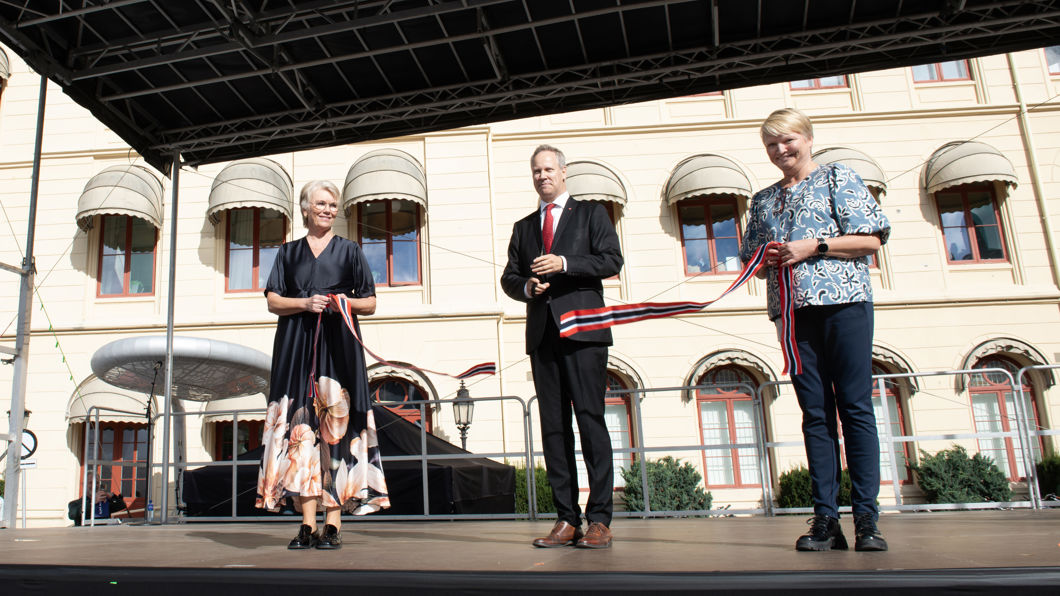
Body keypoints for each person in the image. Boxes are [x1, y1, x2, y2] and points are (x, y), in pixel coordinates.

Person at [740, 108, 891, 552]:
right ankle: (826, 519)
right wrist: (766, 258)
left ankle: (866, 518)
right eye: (771, 144)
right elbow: (752, 260)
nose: (780, 150)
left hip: (845, 305)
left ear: (807, 139)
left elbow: (871, 239)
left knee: (855, 408)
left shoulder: (838, 177)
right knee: (816, 414)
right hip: (792, 315)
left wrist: (815, 246)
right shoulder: (763, 200)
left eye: (787, 140)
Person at [255, 179, 390, 550]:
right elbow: (273, 300)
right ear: (305, 209)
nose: (328, 210)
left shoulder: (350, 251)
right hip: (295, 347)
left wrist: (339, 301)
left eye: (333, 205)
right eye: (321, 204)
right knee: (300, 430)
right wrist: (305, 303)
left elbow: (370, 302)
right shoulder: (288, 253)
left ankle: (332, 524)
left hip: (339, 348)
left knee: (336, 432)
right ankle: (306, 523)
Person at [501, 145, 624, 549]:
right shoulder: (523, 227)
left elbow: (611, 260)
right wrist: (527, 287)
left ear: (564, 172)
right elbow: (509, 277)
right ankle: (566, 518)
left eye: (549, 169)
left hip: (584, 332)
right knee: (553, 429)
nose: (543, 176)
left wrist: (565, 263)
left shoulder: (591, 214)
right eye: (536, 171)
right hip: (543, 336)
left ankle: (599, 519)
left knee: (590, 421)